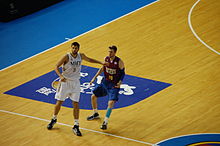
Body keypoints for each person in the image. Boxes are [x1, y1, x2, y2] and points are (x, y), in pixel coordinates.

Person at [47, 42, 105, 136]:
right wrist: (60, 76)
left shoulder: (81, 55)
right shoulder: (66, 56)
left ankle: (76, 125)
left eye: (75, 48)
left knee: (76, 104)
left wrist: (100, 62)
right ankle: (54, 119)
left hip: (76, 83)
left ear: (78, 48)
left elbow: (89, 59)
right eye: (73, 48)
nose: (74, 49)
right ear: (71, 48)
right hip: (65, 82)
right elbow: (56, 66)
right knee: (59, 102)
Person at [87, 45, 125, 130]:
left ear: (115, 52)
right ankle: (95, 113)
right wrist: (94, 77)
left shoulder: (119, 62)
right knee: (93, 96)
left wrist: (120, 82)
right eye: (108, 51)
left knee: (110, 103)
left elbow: (123, 73)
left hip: (114, 85)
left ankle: (105, 122)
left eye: (111, 52)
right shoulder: (106, 59)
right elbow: (102, 68)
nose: (109, 53)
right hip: (105, 83)